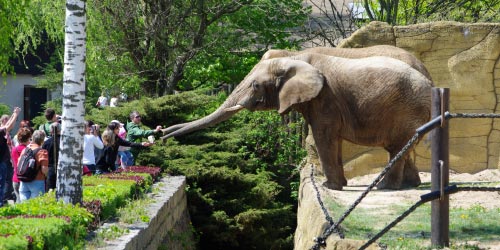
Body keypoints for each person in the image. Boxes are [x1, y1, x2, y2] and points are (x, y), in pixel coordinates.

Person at [19, 130, 48, 201]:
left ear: (32, 138)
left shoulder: (25, 150)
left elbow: (18, 164)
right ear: (43, 140)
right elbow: (44, 169)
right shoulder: (42, 152)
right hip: (37, 181)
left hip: (23, 180)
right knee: (36, 207)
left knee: (24, 207)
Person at [0, 107, 21, 207]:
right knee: (2, 183)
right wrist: (16, 114)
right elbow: (8, 127)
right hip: (1, 162)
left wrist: (14, 115)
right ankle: (1, 202)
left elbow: (8, 126)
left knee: (5, 180)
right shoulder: (1, 132)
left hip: (4, 160)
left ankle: (4, 199)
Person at [11, 127, 32, 203]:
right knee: (26, 202)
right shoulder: (28, 150)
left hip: (15, 178)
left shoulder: (14, 149)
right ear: (28, 138)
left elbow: (14, 164)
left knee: (18, 201)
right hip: (25, 179)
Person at [41, 122, 61, 191]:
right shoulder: (64, 142)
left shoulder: (46, 143)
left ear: (50, 131)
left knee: (50, 191)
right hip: (62, 169)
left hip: (50, 170)